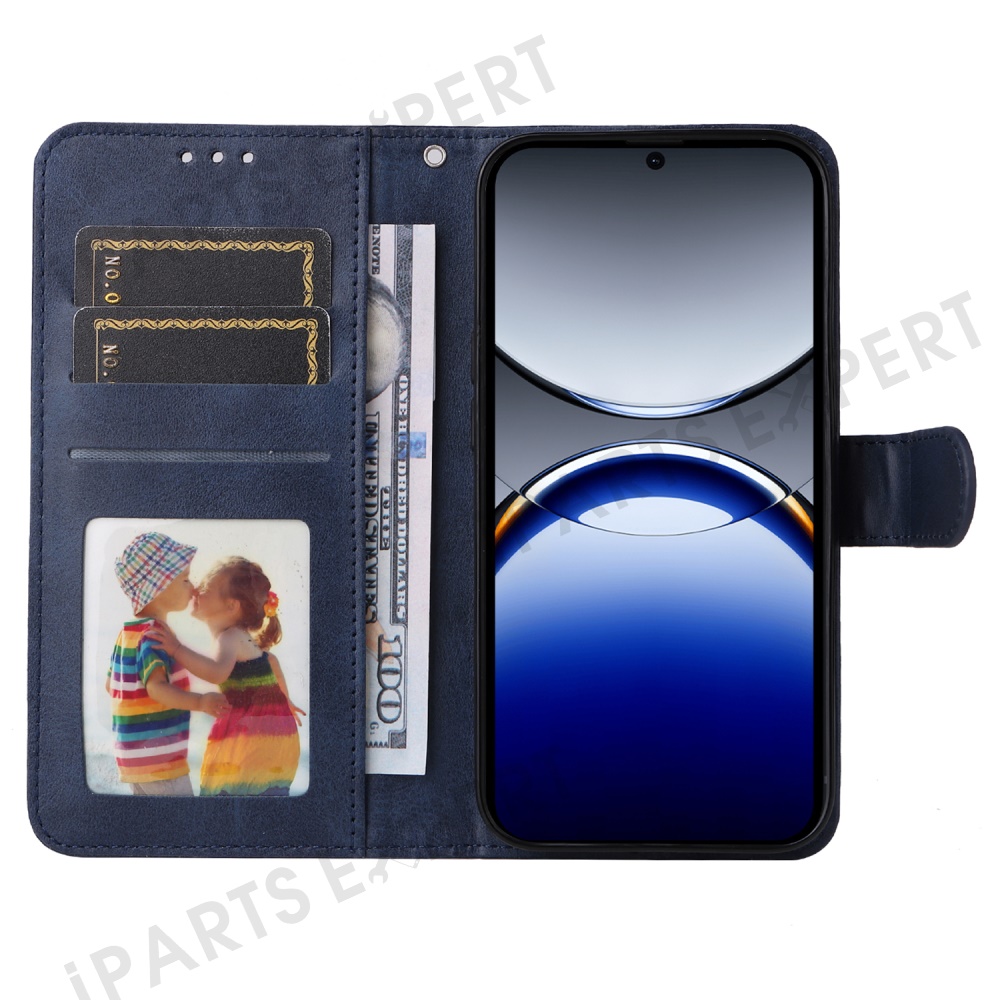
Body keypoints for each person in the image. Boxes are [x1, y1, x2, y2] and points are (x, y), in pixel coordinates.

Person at [147, 557, 305, 796]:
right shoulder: (241, 637)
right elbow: (271, 661)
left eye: (205, 589)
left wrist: (176, 649)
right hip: (276, 734)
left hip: (254, 735)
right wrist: (285, 700)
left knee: (227, 793)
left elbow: (217, 672)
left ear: (231, 605)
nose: (196, 591)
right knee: (261, 796)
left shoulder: (229, 637)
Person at [108, 532, 229, 796]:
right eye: (185, 579)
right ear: (158, 587)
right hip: (159, 761)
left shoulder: (126, 634)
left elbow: (111, 685)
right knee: (182, 820)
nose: (193, 587)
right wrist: (200, 702)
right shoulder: (155, 635)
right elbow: (156, 688)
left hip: (132, 760)